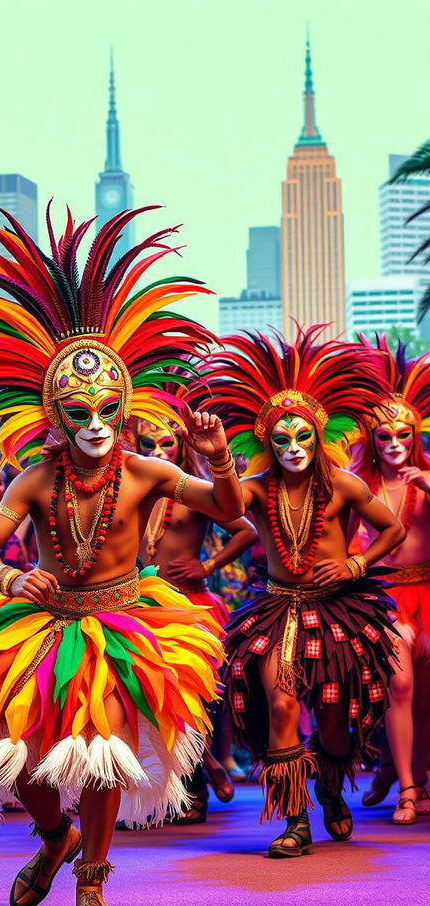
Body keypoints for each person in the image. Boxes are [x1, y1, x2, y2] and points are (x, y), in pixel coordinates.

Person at [0, 206, 243, 906]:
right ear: (54, 411)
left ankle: (91, 885)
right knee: (15, 761)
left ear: (124, 403)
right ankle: (52, 838)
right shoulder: (35, 480)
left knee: (103, 753)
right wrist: (7, 579)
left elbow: (228, 509)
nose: (95, 423)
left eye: (105, 407)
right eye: (78, 410)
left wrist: (216, 455)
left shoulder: (148, 470)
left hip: (126, 623)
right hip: (41, 624)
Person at [201, 326, 405, 857]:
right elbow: (225, 507)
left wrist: (357, 562)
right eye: (281, 439)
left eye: (303, 437)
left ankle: (332, 789)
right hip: (278, 610)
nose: (293, 448)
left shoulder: (343, 483)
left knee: (335, 725)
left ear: (319, 435)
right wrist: (220, 459)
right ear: (266, 441)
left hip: (340, 613)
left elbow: (392, 529)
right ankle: (295, 820)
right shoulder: (255, 486)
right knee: (283, 705)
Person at [132, 413, 258, 820]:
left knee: (191, 697)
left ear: (181, 447)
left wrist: (208, 565)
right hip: (141, 607)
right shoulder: (131, 487)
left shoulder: (188, 489)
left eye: (165, 445)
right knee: (149, 701)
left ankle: (197, 787)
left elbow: (246, 530)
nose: (157, 453)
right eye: (149, 445)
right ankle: (198, 770)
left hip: (189, 606)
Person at [354, 337, 430, 824]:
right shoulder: (360, 485)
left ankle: (406, 772)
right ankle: (405, 786)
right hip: (385, 600)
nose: (395, 444)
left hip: (429, 591)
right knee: (400, 687)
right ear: (372, 440)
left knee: (425, 696)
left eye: (403, 434)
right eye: (384, 436)